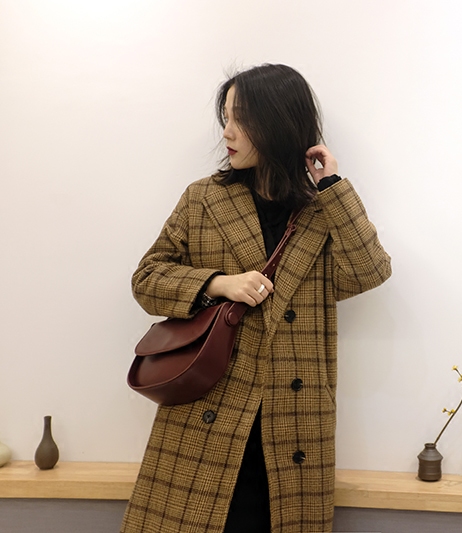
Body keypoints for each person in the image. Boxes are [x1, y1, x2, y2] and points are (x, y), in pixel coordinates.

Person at [121, 64, 391, 533]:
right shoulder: (205, 199)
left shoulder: (322, 211)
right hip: (206, 413)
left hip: (294, 422)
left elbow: (369, 271)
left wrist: (333, 188)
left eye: (240, 119)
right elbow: (146, 279)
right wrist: (217, 283)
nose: (227, 132)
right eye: (225, 117)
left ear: (277, 123)